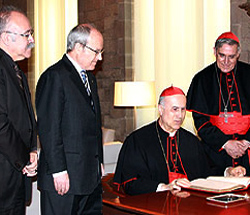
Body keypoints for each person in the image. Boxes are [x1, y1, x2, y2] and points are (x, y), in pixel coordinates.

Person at [114, 86, 245, 196]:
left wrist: (228, 172)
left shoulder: (191, 141)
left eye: (183, 110)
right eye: (175, 109)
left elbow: (207, 171)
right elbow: (130, 183)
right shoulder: (138, 140)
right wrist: (164, 187)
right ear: (160, 109)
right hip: (155, 205)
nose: (180, 115)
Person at [36, 24, 104, 215]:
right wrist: (58, 171)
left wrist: (98, 161)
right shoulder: (54, 76)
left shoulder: (90, 79)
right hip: (63, 179)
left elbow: (93, 125)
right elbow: (49, 129)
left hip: (89, 177)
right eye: (96, 51)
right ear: (79, 47)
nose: (100, 58)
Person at [187, 32, 250, 176]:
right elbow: (201, 122)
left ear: (238, 54)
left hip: (248, 149)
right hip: (216, 152)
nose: (226, 61)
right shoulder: (202, 79)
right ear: (215, 52)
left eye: (231, 57)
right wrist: (226, 143)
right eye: (222, 55)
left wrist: (246, 142)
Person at [0, 5, 37, 215]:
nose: (31, 40)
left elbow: (26, 121)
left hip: (15, 178)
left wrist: (32, 151)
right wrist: (24, 158)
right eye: (26, 34)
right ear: (6, 38)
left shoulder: (18, 71)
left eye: (31, 33)